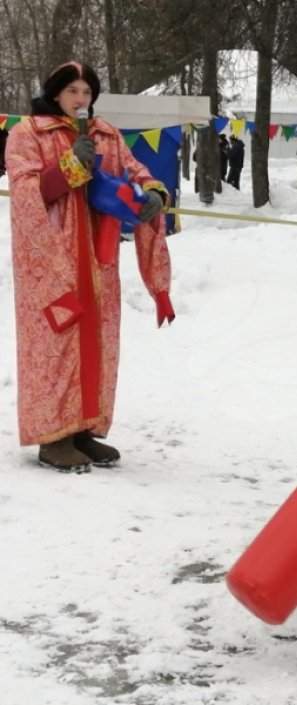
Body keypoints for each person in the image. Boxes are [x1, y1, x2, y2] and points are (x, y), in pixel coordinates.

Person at [6, 61, 174, 473]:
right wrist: (69, 166)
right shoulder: (28, 133)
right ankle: (54, 437)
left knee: (97, 340)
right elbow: (26, 193)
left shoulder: (106, 134)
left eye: (87, 92)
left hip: (99, 260)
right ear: (55, 92)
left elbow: (136, 170)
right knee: (57, 341)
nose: (81, 99)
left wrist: (153, 191)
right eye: (73, 91)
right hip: (52, 261)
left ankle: (84, 430)